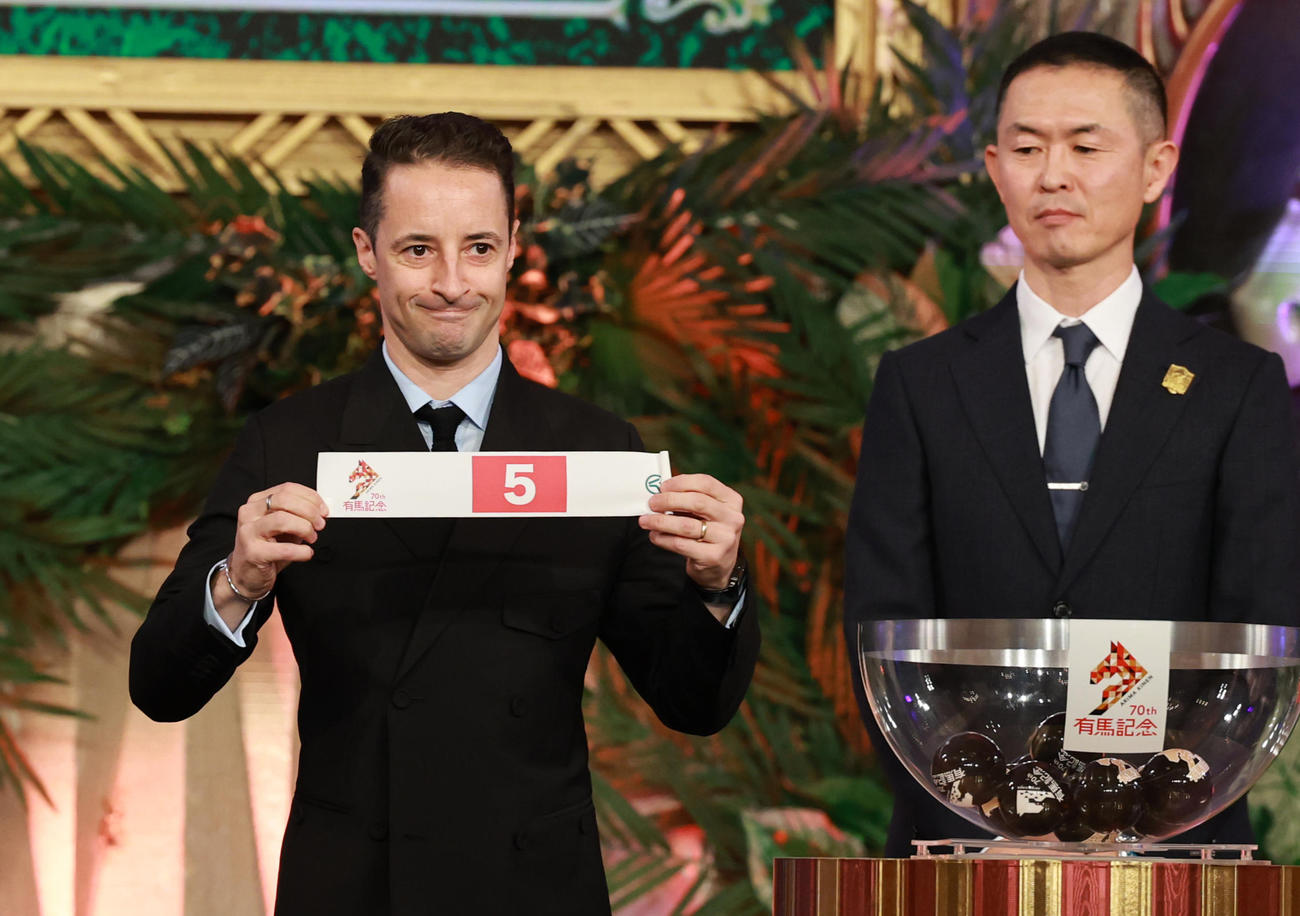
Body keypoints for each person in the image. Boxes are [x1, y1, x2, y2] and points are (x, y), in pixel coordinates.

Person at [130, 112, 759, 914]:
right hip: (355, 887)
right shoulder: (287, 442)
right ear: (368, 252)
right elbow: (160, 686)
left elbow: (694, 704)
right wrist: (238, 583)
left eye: (479, 248)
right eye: (418, 250)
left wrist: (717, 583)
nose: (453, 283)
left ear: (514, 247)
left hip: (534, 887)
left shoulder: (597, 451)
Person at [844, 32, 1299, 856]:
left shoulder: (1238, 386)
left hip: (1173, 846)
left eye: (1086, 147)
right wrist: (987, 815)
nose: (1054, 174)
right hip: (964, 845)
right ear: (995, 169)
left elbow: (1259, 627)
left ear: (1156, 168)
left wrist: (1147, 812)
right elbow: (883, 624)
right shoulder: (922, 384)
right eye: (1027, 148)